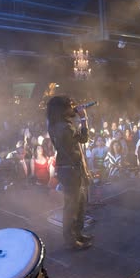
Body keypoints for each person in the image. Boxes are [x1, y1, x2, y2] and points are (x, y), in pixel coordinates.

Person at [47, 96, 92, 249]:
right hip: (71, 170)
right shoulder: (65, 127)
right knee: (73, 206)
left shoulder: (54, 124)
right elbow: (84, 139)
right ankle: (71, 240)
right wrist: (84, 118)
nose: (74, 107)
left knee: (78, 203)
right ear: (63, 109)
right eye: (71, 105)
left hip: (68, 169)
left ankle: (77, 234)